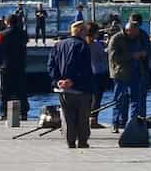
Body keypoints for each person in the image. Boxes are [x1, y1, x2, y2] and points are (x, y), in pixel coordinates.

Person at [47, 20, 95, 148]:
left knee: (68, 117)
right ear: (80, 31)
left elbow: (51, 65)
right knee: (82, 117)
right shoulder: (82, 46)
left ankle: (70, 141)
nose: (86, 34)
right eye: (85, 31)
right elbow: (85, 68)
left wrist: (58, 81)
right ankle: (83, 141)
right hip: (81, 88)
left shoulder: (58, 45)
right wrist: (73, 81)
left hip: (63, 89)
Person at [108, 14, 151, 131]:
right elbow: (114, 57)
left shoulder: (141, 36)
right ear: (128, 31)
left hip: (137, 72)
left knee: (136, 99)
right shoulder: (116, 39)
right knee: (119, 99)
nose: (136, 36)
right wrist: (133, 56)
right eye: (133, 33)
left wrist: (145, 53)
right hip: (121, 74)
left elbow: (149, 49)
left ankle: (133, 123)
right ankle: (116, 123)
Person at [0, 12, 27, 120]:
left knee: (4, 91)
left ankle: (3, 113)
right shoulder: (23, 33)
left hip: (5, 65)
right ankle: (23, 113)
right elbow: (25, 43)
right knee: (22, 90)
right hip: (20, 65)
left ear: (7, 22)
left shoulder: (1, 34)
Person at [87, 23, 109, 129]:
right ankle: (94, 119)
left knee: (88, 98)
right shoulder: (96, 44)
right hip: (98, 73)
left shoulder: (84, 43)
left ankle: (86, 118)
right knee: (97, 98)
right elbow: (103, 56)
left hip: (88, 73)